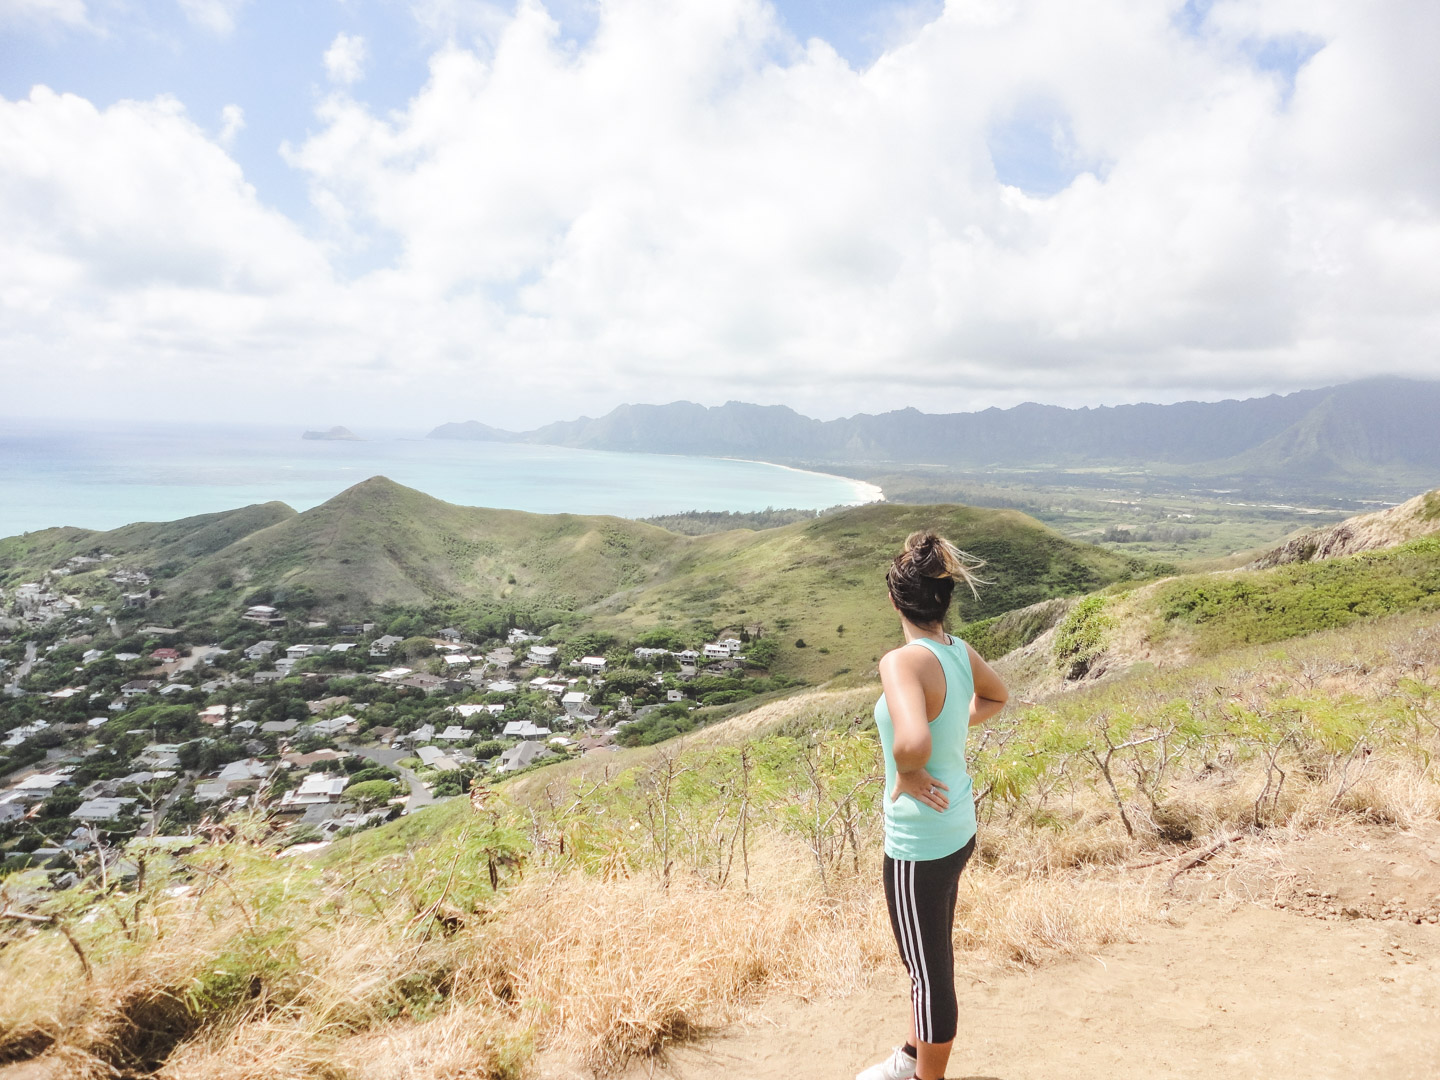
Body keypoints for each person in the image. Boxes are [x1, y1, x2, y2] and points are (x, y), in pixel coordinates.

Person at [858, 531, 1010, 1080]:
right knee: (932, 954)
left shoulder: (902, 662)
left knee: (928, 976)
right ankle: (909, 1057)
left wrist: (910, 768)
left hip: (917, 842)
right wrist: (952, 725)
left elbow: (911, 741)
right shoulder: (957, 652)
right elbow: (995, 697)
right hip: (957, 827)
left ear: (896, 600)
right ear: (944, 600)